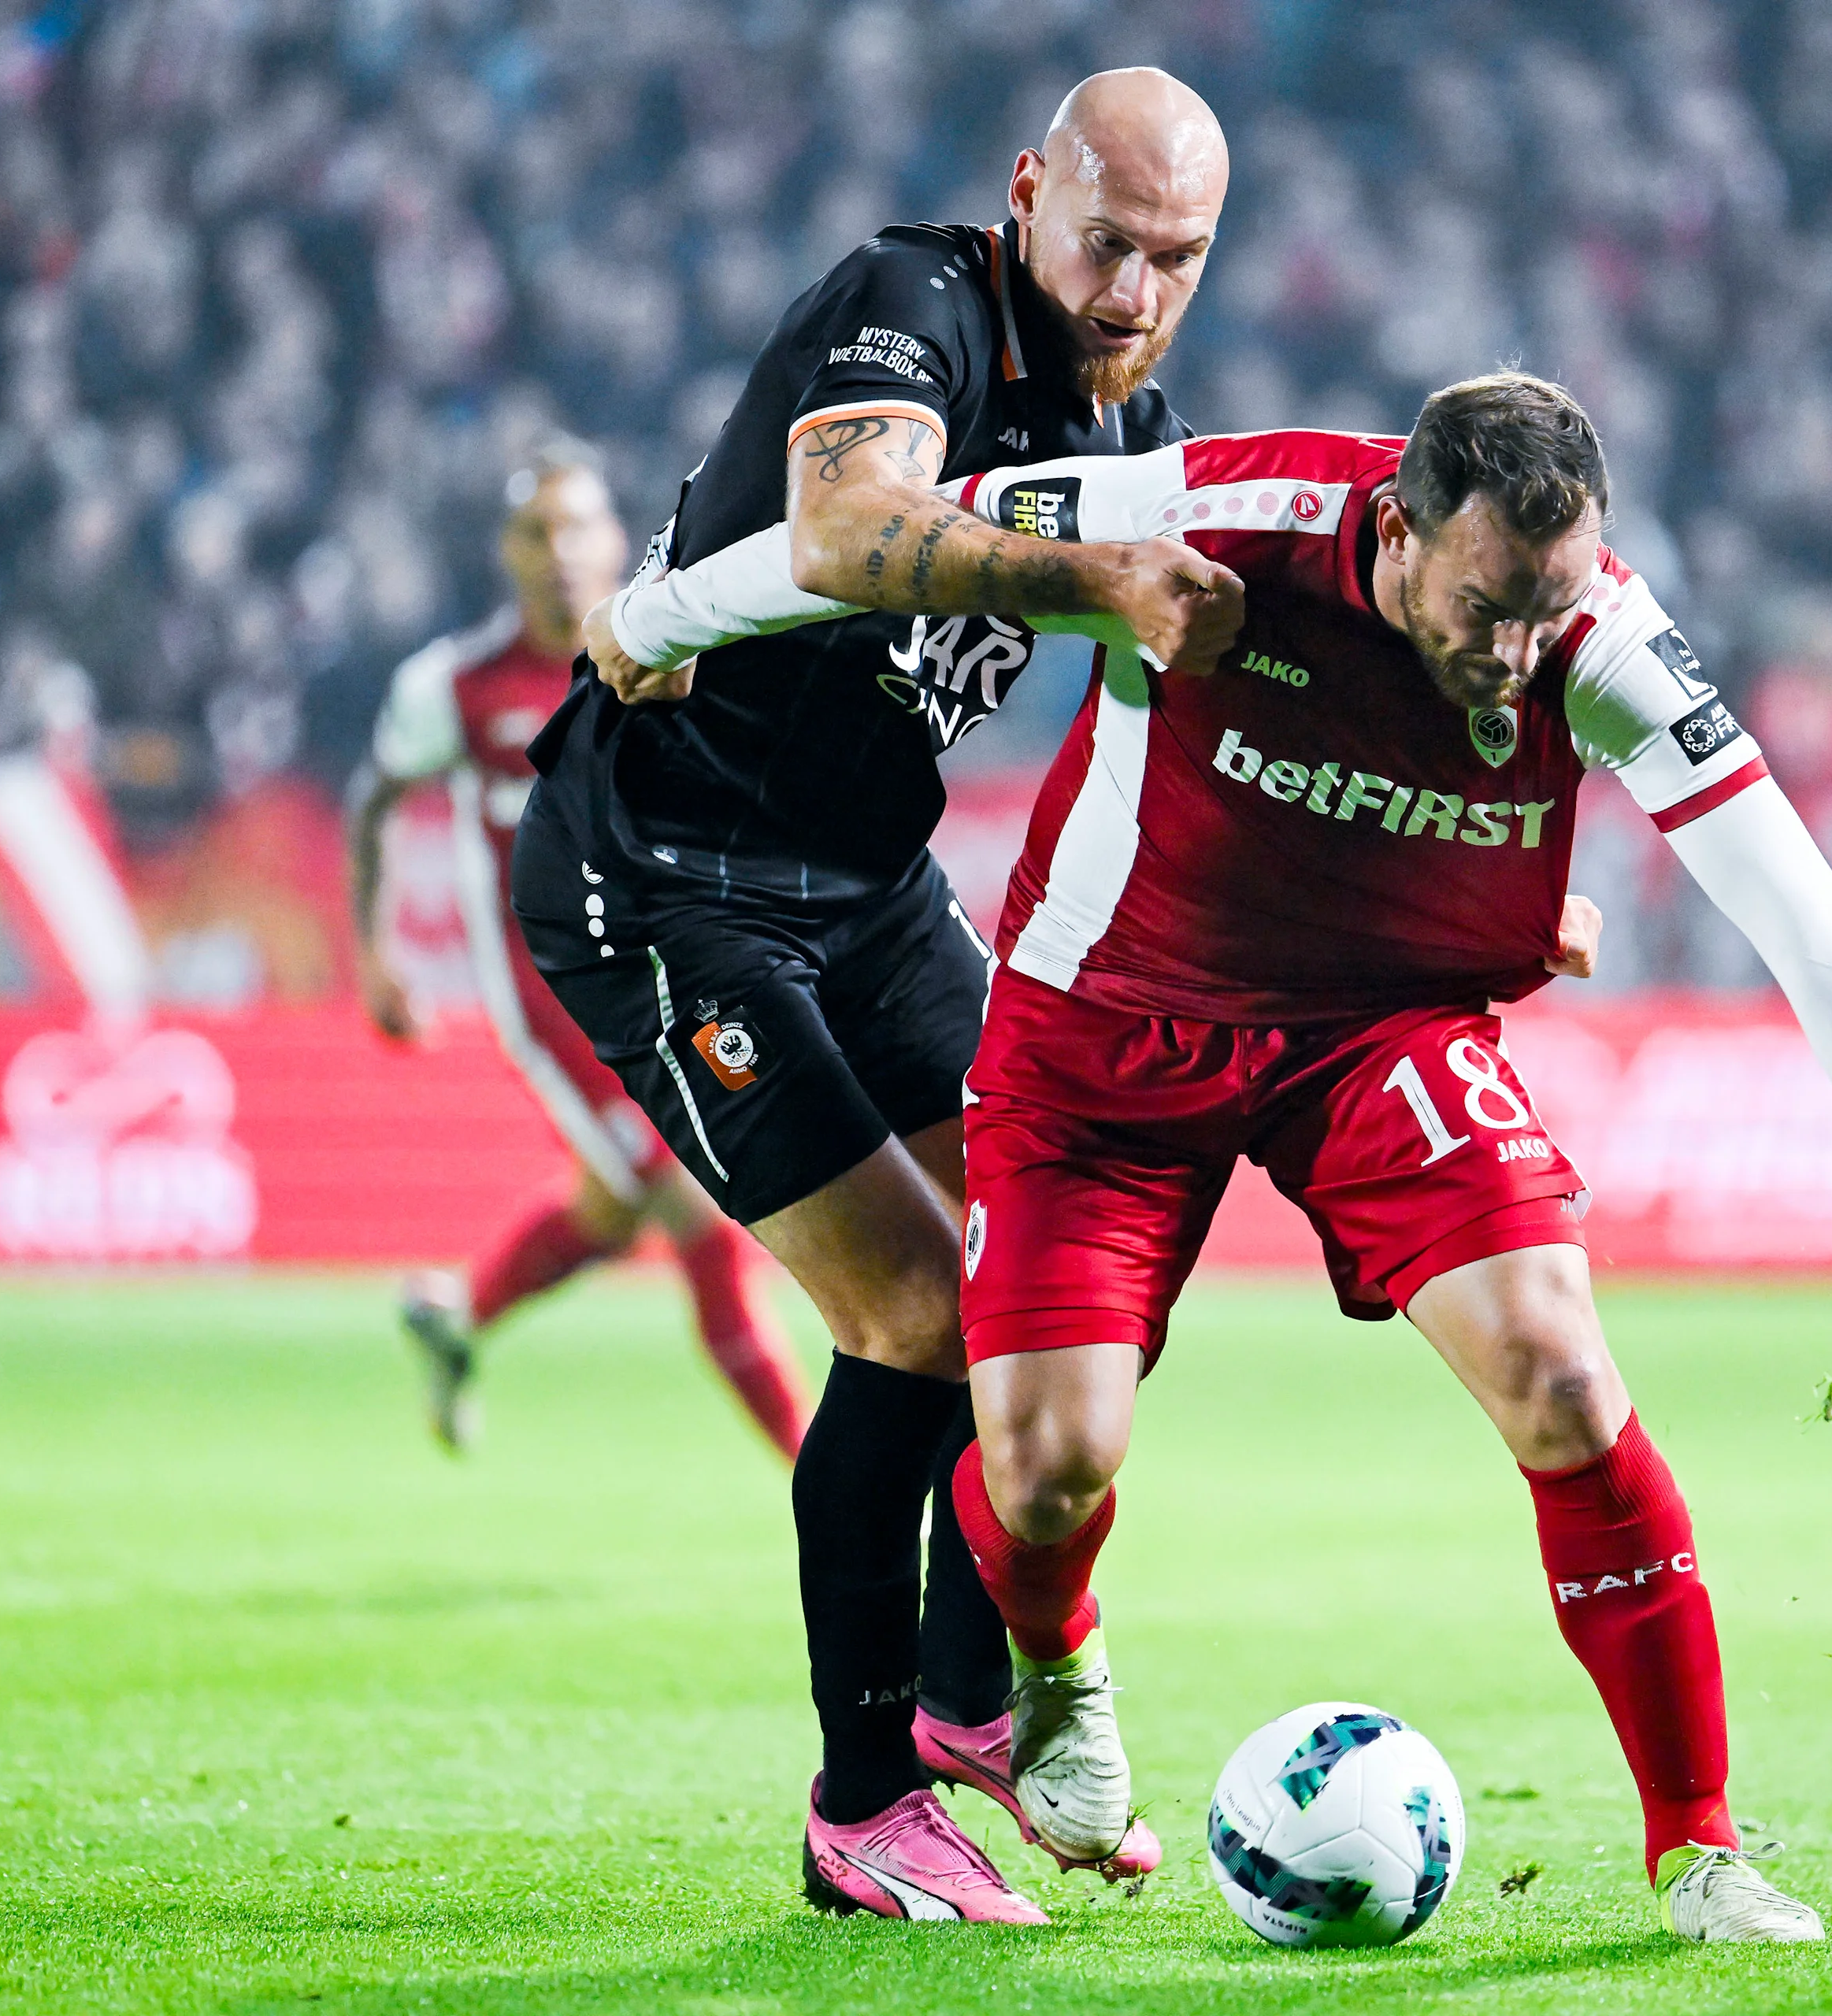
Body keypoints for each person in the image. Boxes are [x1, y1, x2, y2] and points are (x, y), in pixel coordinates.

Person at [632, 373, 1832, 1944]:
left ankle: (1698, 1844)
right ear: (1397, 529)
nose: (1516, 649)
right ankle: (1053, 1656)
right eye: (1487, 603)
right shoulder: (1219, 517)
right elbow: (883, 529)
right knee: (1045, 1468)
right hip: (1111, 1018)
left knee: (1563, 1376)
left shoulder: (1600, 643)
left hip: (1377, 1032)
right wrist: (668, 613)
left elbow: (1796, 904)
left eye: (1548, 606)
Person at [514, 69, 1247, 1923]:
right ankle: (861, 1807)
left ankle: (962, 1694)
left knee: (1069, 1269)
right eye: (1106, 241)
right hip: (671, 877)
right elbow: (848, 533)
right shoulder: (908, 305)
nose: (1133, 291)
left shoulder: (1134, 421)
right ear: (1027, 196)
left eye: (1177, 259)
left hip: (870, 888)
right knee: (921, 1317)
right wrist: (1093, 571)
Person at [346, 444, 807, 1460]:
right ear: (507, 553)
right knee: (696, 1202)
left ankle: (457, 1321)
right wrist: (375, 955)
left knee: (615, 1206)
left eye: (578, 527)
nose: (559, 553)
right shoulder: (457, 687)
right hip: (553, 999)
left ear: (614, 537)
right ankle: (829, 1481)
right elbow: (373, 798)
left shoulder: (673, 644)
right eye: (535, 533)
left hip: (670, 977)